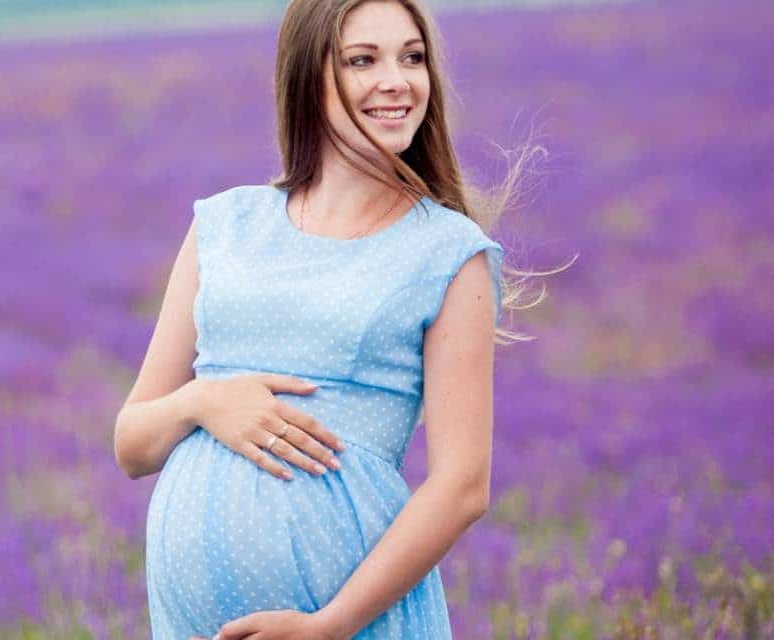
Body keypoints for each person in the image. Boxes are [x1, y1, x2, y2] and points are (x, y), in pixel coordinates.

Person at [113, 1, 554, 638]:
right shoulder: (224, 226)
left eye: (412, 57)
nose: (397, 81)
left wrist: (328, 625)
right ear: (307, 75)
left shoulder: (449, 253)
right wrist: (204, 401)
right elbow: (131, 444)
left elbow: (463, 486)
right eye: (361, 60)